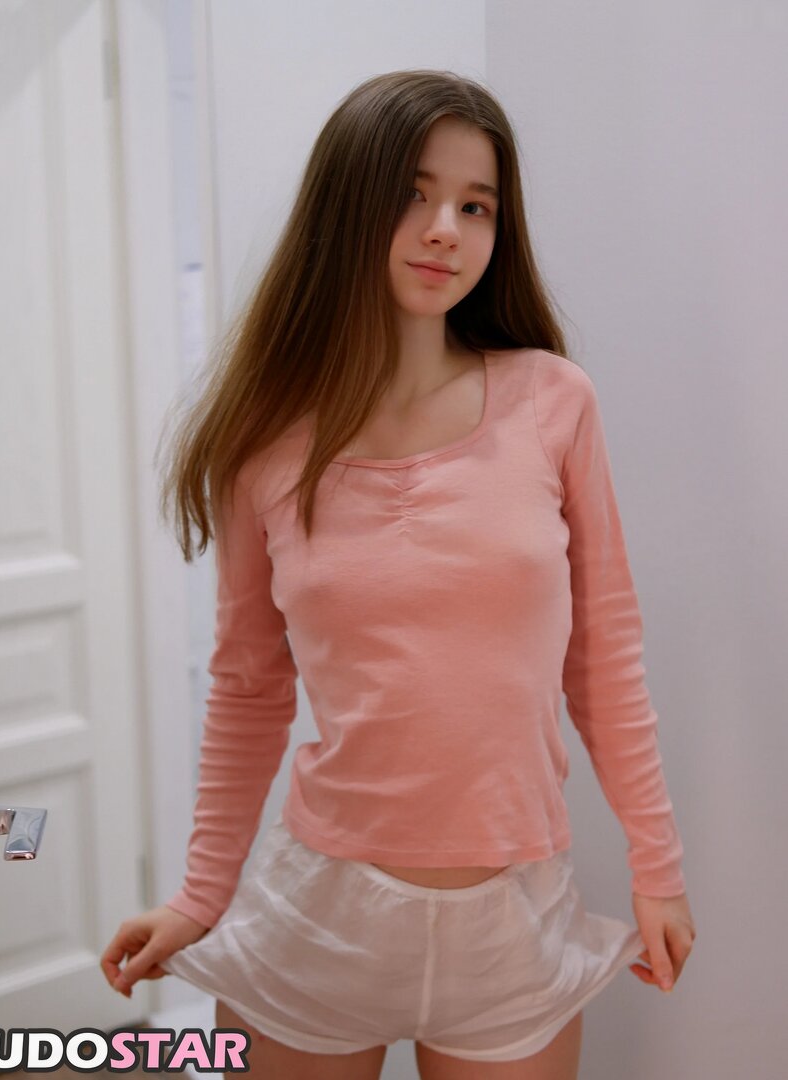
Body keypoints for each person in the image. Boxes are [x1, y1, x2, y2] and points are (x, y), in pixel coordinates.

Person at [100, 69, 696, 1078]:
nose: (444, 231)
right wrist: (199, 897)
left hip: (512, 922)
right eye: (413, 195)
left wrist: (658, 865)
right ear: (347, 208)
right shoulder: (265, 445)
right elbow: (248, 686)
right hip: (318, 919)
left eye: (475, 206)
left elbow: (602, 657)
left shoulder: (554, 403)